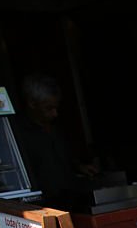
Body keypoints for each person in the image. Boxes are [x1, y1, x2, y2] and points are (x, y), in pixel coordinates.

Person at [13, 74, 97, 210]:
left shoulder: (54, 129)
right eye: (49, 108)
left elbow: (63, 158)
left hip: (70, 201)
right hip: (42, 206)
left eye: (56, 108)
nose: (55, 113)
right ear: (32, 103)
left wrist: (78, 167)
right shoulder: (18, 132)